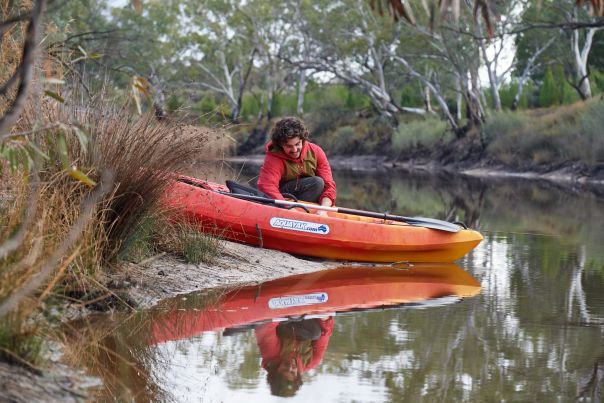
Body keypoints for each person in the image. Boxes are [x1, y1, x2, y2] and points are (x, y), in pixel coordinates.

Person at [257, 117, 336, 213]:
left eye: (297, 144)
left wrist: (323, 210)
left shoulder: (316, 152)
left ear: (303, 140)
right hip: (283, 197)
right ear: (281, 145)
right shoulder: (274, 157)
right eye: (289, 146)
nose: (294, 150)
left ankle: (310, 212)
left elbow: (329, 185)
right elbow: (267, 186)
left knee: (318, 183)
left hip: (308, 197)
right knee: (317, 182)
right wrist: (289, 208)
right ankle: (300, 213)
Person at [255, 318, 334, 397]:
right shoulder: (311, 362)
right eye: (293, 372)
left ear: (276, 371)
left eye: (285, 369)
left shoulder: (270, 353)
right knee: (315, 333)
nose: (290, 367)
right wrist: (325, 319)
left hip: (281, 319)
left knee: (313, 332)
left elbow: (266, 324)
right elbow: (325, 333)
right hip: (305, 320)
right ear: (297, 375)